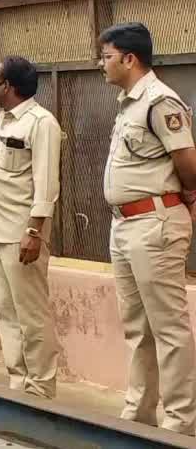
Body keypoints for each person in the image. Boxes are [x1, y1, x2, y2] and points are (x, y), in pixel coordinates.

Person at [98, 22, 196, 434]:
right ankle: (139, 413)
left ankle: (180, 420)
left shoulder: (160, 101)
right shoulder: (128, 103)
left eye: (106, 56)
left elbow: (187, 160)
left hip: (155, 223)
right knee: (137, 327)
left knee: (168, 326)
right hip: (125, 225)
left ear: (129, 58)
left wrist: (188, 197)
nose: (101, 64)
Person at [0, 55, 62, 398]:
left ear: (8, 87)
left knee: (31, 314)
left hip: (21, 234)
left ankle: (41, 386)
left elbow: (46, 185)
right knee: (6, 312)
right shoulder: (1, 122)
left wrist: (34, 233)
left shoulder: (40, 123)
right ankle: (18, 382)